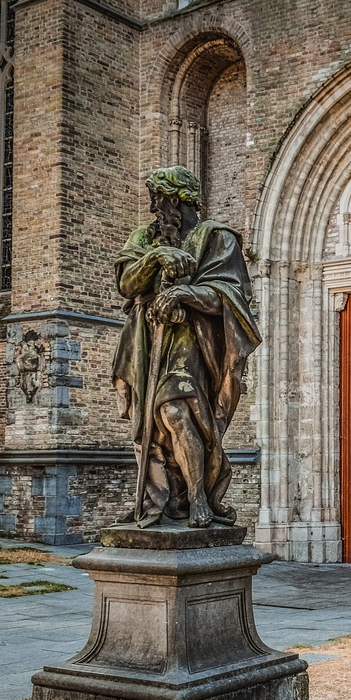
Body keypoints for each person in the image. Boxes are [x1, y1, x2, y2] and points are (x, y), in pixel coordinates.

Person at [111, 166, 260, 528]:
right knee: (151, 427)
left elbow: (232, 297)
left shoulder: (217, 239)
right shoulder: (145, 239)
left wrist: (184, 292)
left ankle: (199, 499)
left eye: (160, 200)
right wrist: (155, 257)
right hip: (146, 345)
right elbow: (128, 285)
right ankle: (160, 499)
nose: (155, 209)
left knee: (176, 411)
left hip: (196, 343)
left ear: (178, 201)